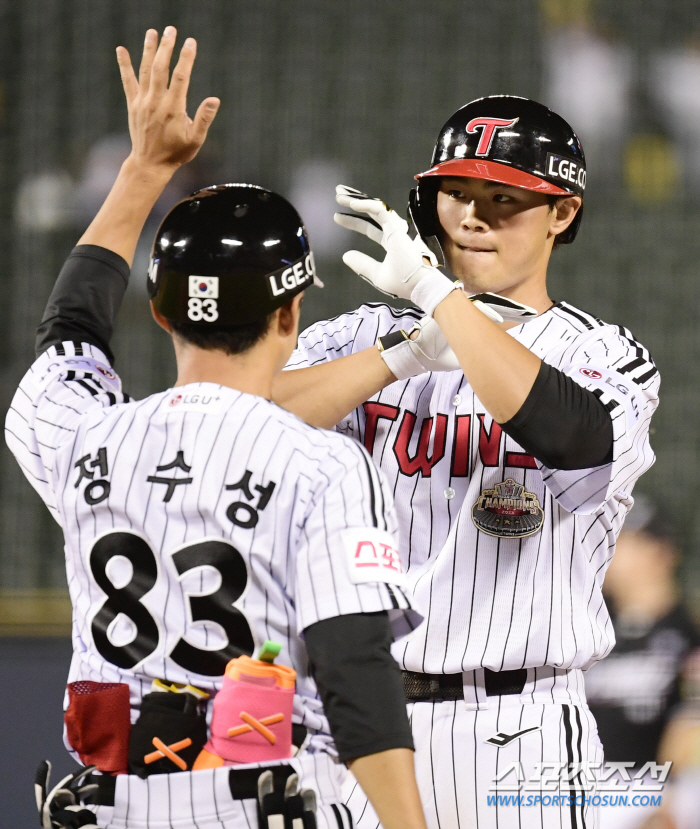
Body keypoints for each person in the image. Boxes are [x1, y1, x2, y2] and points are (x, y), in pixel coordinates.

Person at [5, 28, 429, 829]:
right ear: (291, 310)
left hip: (112, 804)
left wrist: (143, 171)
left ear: (161, 311)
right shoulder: (321, 467)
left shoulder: (85, 442)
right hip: (258, 799)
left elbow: (68, 329)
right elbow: (354, 672)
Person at [273, 95, 660, 829]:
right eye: (458, 193)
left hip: (518, 725)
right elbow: (249, 423)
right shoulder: (369, 336)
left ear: (562, 213)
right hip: (356, 722)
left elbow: (572, 436)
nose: (473, 217)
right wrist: (403, 350)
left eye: (504, 197)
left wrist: (436, 295)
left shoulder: (603, 353)